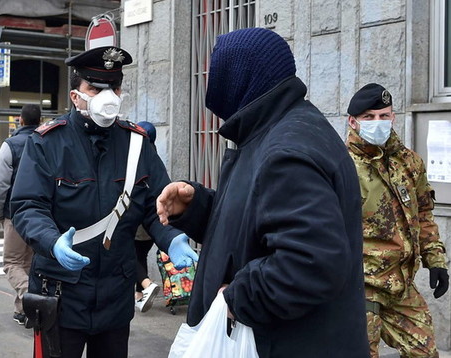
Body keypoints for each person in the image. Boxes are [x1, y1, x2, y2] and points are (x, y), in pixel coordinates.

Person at [156, 28, 370, 357]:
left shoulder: (285, 150)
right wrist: (197, 205)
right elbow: (257, 224)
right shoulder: (274, 133)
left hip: (290, 344)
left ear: (241, 77)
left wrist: (238, 297)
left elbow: (311, 262)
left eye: (217, 71)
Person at [10, 46, 198, 358]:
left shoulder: (137, 144)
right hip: (60, 292)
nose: (106, 96)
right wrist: (52, 241)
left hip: (115, 296)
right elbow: (28, 206)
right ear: (75, 95)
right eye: (95, 88)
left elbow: (157, 206)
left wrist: (172, 237)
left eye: (113, 87)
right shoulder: (47, 143)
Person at [346, 83, 449, 358]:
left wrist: (436, 260)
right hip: (360, 287)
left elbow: (424, 213)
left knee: (425, 352)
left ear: (393, 117)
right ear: (353, 122)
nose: (377, 123)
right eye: (369, 117)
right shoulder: (341, 165)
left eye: (383, 115)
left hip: (400, 285)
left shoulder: (408, 162)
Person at [0, 104, 41, 325]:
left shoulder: (11, 145)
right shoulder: (46, 141)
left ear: (20, 120)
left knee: (11, 263)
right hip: (41, 214)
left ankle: (33, 299)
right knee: (27, 262)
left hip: (16, 213)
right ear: (39, 120)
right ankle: (23, 311)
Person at [133, 121, 160, 313]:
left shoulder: (137, 158)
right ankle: (138, 295)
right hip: (153, 220)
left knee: (130, 254)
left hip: (138, 218)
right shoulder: (155, 157)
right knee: (140, 254)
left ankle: (147, 284)